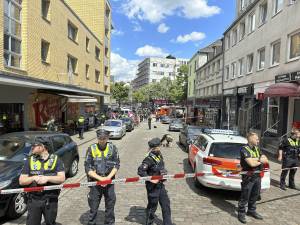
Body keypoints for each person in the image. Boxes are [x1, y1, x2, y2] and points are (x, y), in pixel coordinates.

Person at [19, 137, 65, 225]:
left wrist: (47, 178)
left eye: (34, 145)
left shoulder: (56, 160)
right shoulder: (30, 160)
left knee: (50, 222)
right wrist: (33, 178)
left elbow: (62, 178)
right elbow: (21, 181)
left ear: (42, 147)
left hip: (50, 199)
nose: (32, 147)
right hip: (33, 199)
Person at [85, 129, 120, 225]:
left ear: (107, 138)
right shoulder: (91, 148)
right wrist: (101, 179)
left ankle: (109, 222)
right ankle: (92, 222)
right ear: (97, 138)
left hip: (109, 182)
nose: (102, 140)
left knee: (110, 204)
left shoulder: (113, 148)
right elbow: (87, 168)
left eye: (104, 138)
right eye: (100, 138)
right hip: (95, 182)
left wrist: (108, 178)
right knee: (93, 205)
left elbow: (117, 165)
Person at [138, 138, 172, 225]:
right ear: (154, 148)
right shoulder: (148, 159)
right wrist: (151, 179)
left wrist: (164, 172)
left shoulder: (159, 155)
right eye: (159, 146)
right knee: (152, 206)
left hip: (160, 185)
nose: (160, 148)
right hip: (152, 187)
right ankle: (149, 222)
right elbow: (141, 171)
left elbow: (160, 167)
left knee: (166, 204)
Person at [237, 132, 268, 224]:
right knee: (245, 196)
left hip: (257, 176)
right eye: (256, 139)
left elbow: (265, 159)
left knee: (255, 194)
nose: (258, 141)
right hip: (248, 177)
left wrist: (257, 160)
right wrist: (259, 160)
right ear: (250, 139)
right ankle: (241, 213)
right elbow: (251, 164)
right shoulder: (244, 149)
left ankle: (251, 210)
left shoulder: (257, 149)